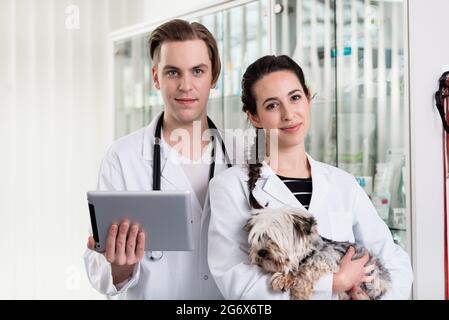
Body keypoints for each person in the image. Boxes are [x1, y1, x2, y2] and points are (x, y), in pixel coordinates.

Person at [207, 55, 413, 299]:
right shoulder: (230, 186)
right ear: (254, 117)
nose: (288, 114)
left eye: (295, 98)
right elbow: (239, 285)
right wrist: (334, 283)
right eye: (272, 105)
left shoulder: (343, 183)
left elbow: (395, 262)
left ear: (308, 99)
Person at [84, 19, 233, 299]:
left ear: (213, 77)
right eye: (173, 72)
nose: (185, 85)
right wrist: (119, 267)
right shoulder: (122, 158)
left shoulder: (242, 157)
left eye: (197, 71)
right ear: (156, 77)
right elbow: (98, 269)